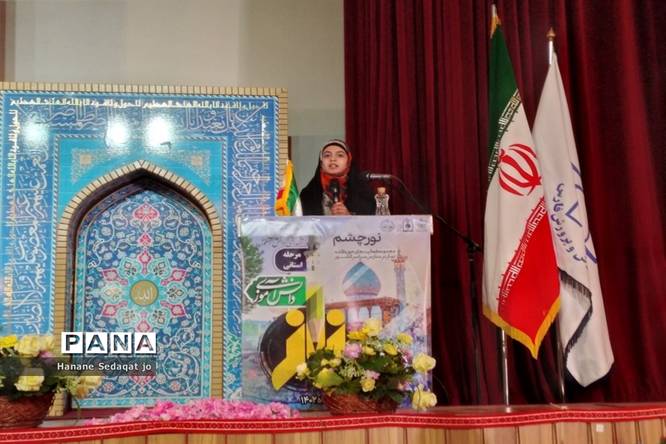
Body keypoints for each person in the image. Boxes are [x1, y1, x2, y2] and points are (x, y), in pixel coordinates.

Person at [299, 139, 375, 215]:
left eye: (340, 155)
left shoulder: (363, 193)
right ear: (321, 163)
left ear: (348, 161)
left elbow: (373, 220)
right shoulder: (308, 194)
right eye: (327, 155)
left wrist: (349, 216)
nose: (333, 159)